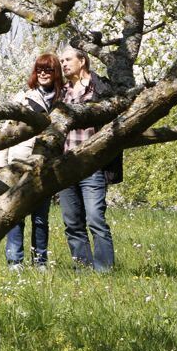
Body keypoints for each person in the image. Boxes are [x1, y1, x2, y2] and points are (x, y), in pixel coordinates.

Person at [0, 53, 64, 267]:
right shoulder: (23, 98)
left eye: (48, 69)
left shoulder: (63, 99)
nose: (43, 73)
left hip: (50, 163)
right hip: (21, 159)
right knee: (16, 214)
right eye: (39, 69)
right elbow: (7, 130)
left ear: (56, 73)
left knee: (41, 217)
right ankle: (15, 261)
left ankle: (40, 261)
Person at [57, 46, 115, 271]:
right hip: (66, 166)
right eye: (61, 61)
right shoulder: (62, 92)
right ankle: (83, 270)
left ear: (83, 61)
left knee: (95, 219)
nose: (63, 64)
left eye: (68, 59)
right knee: (72, 222)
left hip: (92, 165)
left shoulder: (100, 88)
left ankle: (103, 271)